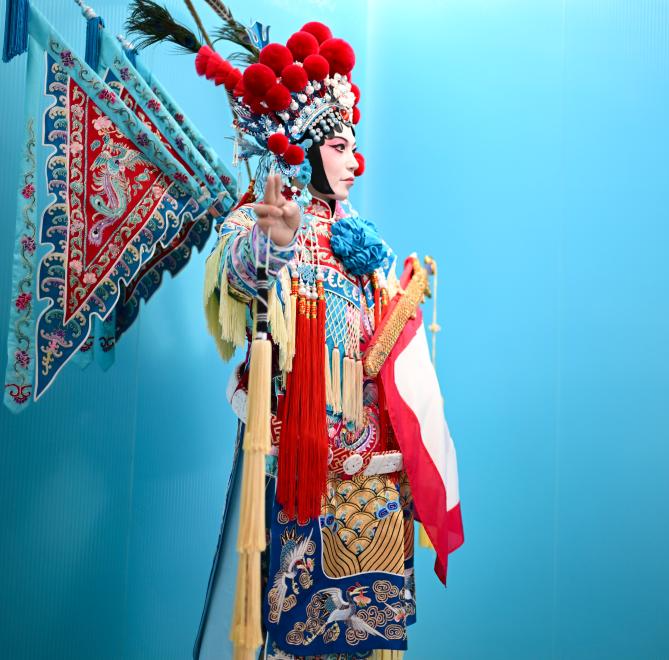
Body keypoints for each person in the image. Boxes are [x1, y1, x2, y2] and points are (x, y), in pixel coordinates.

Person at [191, 21, 458, 660]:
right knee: (293, 632)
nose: (354, 161)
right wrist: (275, 244)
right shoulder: (265, 214)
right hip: (301, 463)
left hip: (372, 465)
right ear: (306, 149)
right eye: (339, 146)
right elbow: (238, 277)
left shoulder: (360, 237)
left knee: (364, 639)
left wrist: (402, 307)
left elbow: (377, 350)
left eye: (355, 147)